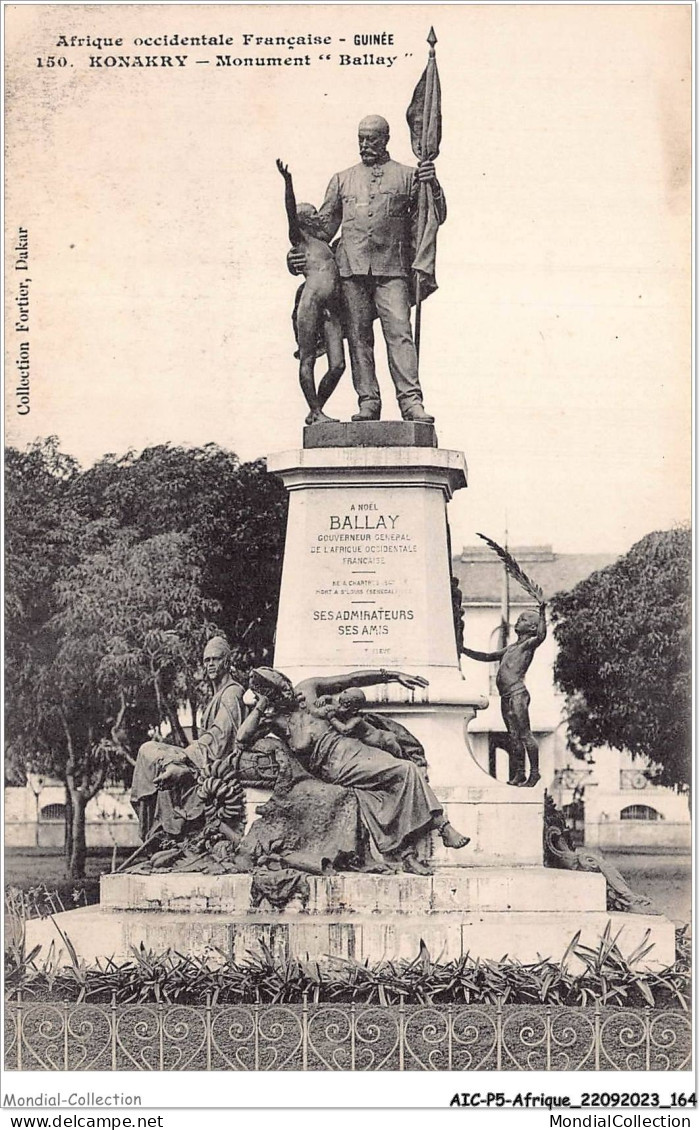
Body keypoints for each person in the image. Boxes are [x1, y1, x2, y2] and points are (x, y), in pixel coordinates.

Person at [288, 115, 446, 423]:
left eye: (371, 139)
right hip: (350, 271)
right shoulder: (342, 179)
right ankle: (368, 402)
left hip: (393, 269)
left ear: (385, 139)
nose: (364, 145)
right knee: (359, 338)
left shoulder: (409, 176)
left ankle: (411, 402)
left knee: (400, 333)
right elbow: (321, 230)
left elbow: (434, 214)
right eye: (361, 139)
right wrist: (294, 255)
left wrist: (433, 184)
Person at [237, 666, 470, 874]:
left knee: (384, 788)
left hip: (353, 749)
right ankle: (442, 828)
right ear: (271, 699)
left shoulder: (308, 689)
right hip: (333, 766)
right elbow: (241, 739)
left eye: (285, 685)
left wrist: (393, 676)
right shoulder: (276, 721)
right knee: (405, 770)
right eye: (280, 692)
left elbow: (351, 679)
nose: (288, 693)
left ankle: (409, 854)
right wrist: (260, 706)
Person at [130, 636, 245, 838]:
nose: (209, 664)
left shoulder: (232, 693)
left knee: (158, 759)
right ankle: (153, 830)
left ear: (227, 661)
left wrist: (185, 757)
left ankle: (161, 831)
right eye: (206, 660)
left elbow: (220, 738)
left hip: (213, 765)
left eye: (215, 659)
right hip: (199, 757)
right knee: (147, 749)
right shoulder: (217, 695)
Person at [276, 159, 346, 424]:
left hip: (330, 309)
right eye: (313, 215)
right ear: (304, 221)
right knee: (307, 358)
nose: (319, 218)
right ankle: (316, 412)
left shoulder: (325, 245)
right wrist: (288, 182)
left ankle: (316, 409)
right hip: (311, 303)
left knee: (338, 365)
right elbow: (289, 212)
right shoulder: (301, 240)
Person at [461, 604, 547, 787]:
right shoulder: (510, 648)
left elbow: (541, 636)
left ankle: (534, 773)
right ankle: (520, 774)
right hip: (505, 696)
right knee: (513, 736)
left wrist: (542, 612)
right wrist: (463, 650)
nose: (518, 621)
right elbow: (486, 656)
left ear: (532, 627)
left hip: (518, 694)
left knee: (525, 734)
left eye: (523, 619)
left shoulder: (528, 644)